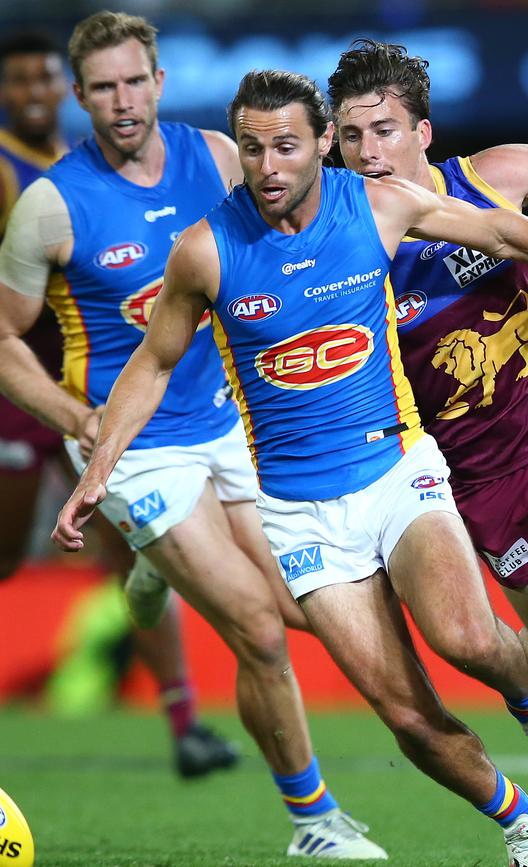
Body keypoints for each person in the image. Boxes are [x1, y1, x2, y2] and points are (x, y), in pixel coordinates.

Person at [53, 70, 528, 866]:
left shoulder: (418, 195)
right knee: (427, 709)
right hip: (357, 502)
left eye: (290, 146)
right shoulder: (215, 248)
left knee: (491, 627)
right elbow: (160, 362)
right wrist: (101, 468)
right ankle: (526, 808)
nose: (270, 165)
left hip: (464, 449)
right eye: (255, 148)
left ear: (326, 145)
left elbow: (522, 225)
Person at [0, 13, 385, 859]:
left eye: (135, 81)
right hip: (134, 445)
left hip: (231, 423)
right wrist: (76, 420)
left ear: (160, 81)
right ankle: (313, 820)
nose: (122, 100)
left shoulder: (217, 158)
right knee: (256, 623)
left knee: (302, 603)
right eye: (103, 87)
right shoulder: (51, 205)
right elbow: (3, 339)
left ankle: (150, 573)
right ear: (80, 96)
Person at [327, 39, 528, 734]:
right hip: (483, 476)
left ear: (423, 133)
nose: (368, 151)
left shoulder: (489, 176)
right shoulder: (335, 250)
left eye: (384, 130)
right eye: (351, 136)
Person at [0, 30, 238, 778]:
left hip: (111, 389)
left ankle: (183, 720)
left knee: (129, 554)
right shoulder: (20, 181)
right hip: (26, 387)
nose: (35, 93)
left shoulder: (103, 167)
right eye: (21, 83)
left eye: (44, 79)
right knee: (6, 556)